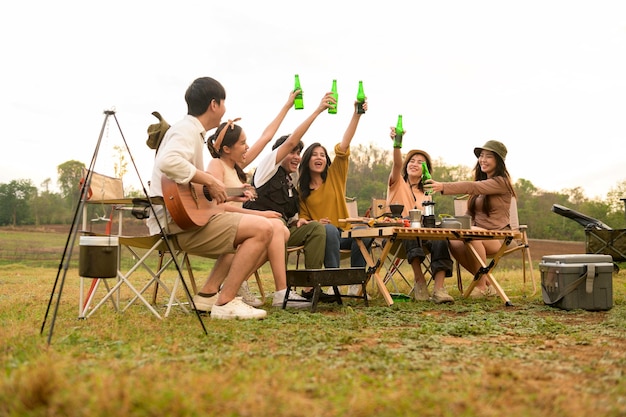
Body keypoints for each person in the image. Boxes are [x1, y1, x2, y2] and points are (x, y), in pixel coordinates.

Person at [147, 76, 271, 320]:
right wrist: (211, 180)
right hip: (173, 224)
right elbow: (169, 162)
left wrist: (227, 194)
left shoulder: (192, 131)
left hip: (180, 220)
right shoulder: (186, 129)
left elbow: (191, 189)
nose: (225, 109)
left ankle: (208, 296)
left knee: (246, 233)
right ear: (214, 104)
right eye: (223, 103)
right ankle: (225, 303)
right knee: (263, 229)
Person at [204, 91, 318, 309]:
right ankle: (278, 293)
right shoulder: (216, 165)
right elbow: (218, 206)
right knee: (274, 225)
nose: (247, 147)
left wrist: (287, 105)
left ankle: (259, 288)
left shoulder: (238, 169)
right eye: (243, 143)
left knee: (281, 230)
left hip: (238, 226)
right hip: (222, 227)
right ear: (227, 149)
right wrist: (260, 214)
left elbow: (267, 137)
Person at [244, 92, 336, 301]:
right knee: (278, 231)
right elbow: (291, 139)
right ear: (279, 153)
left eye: (298, 153)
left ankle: (312, 288)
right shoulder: (267, 168)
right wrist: (318, 110)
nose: (296, 157)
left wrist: (301, 221)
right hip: (259, 229)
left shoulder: (291, 182)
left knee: (316, 229)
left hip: (283, 230)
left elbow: (293, 217)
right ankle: (277, 290)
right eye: (292, 152)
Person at [297, 99, 372, 296]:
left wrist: (356, 114)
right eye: (314, 155)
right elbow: (303, 220)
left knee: (365, 231)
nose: (319, 157)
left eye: (322, 154)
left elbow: (344, 144)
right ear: (307, 161)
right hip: (323, 237)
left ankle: (356, 282)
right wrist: (316, 223)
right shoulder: (302, 191)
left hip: (345, 235)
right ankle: (332, 282)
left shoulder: (334, 175)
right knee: (328, 229)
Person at [427, 140, 516, 298]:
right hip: (476, 235)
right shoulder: (480, 186)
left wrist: (443, 187)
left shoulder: (501, 183)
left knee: (472, 233)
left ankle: (481, 287)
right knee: (454, 240)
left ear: (499, 161)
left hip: (499, 237)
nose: (483, 160)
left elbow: (472, 187)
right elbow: (468, 216)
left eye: (488, 156)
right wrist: (447, 224)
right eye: (481, 156)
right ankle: (488, 282)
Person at [385, 128, 454, 303]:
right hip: (396, 237)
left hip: (423, 237)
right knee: (409, 225)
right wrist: (396, 144)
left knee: (440, 237)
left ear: (425, 169)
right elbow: (397, 164)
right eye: (412, 161)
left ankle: (439, 289)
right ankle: (419, 280)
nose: (414, 164)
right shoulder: (396, 183)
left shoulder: (427, 192)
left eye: (420, 162)